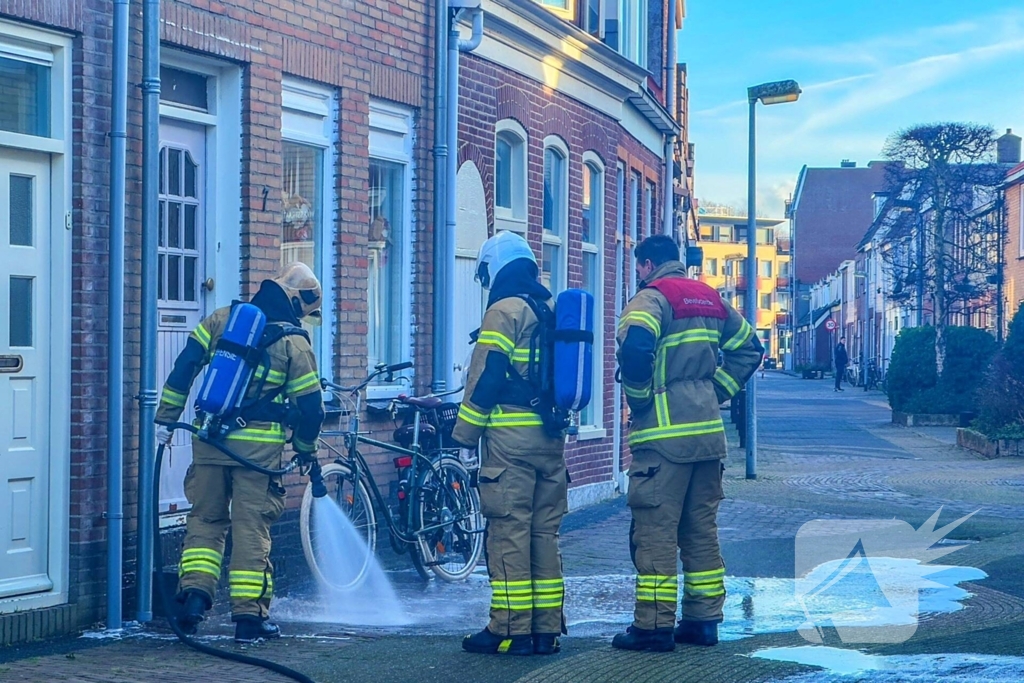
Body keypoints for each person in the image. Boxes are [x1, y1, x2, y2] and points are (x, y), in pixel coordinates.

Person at [154, 262, 326, 643]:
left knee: (205, 521)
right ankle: (250, 618)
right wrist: (304, 448)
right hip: (258, 455)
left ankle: (194, 599)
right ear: (300, 302)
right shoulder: (294, 343)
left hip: (209, 442)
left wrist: (166, 419)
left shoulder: (220, 319)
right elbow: (313, 408)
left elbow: (185, 367)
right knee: (252, 530)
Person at [612, 235, 763, 652]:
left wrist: (640, 399)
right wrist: (715, 392)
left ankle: (654, 628)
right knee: (700, 531)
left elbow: (636, 349)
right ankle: (703, 621)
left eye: (638, 267)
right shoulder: (709, 298)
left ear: (645, 265)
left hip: (662, 443)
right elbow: (751, 349)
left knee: (656, 533)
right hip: (707, 439)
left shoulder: (651, 298)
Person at [453, 231, 568, 657]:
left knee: (509, 532)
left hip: (509, 443)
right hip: (551, 439)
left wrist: (464, 436)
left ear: (497, 268)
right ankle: (545, 631)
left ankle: (508, 629)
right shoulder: (551, 307)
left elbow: (487, 376)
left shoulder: (504, 311)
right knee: (544, 533)